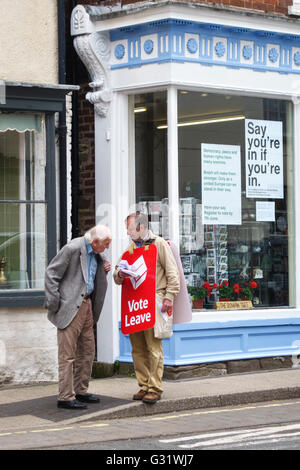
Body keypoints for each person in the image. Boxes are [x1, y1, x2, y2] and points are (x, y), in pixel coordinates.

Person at [114, 212, 180, 404]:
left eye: (130, 228)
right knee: (138, 348)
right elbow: (118, 275)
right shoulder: (131, 248)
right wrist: (120, 273)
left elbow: (172, 272)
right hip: (135, 304)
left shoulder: (159, 244)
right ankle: (143, 386)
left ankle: (154, 387)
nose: (127, 232)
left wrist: (169, 297)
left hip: (154, 300)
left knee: (153, 347)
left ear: (141, 227)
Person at [44, 224, 111, 410]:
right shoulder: (72, 248)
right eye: (106, 243)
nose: (108, 247)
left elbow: (92, 273)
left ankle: (80, 391)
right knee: (67, 355)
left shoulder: (97, 254)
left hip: (88, 305)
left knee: (87, 351)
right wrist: (55, 304)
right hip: (70, 307)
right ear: (95, 241)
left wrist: (103, 268)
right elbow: (51, 274)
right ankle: (65, 397)